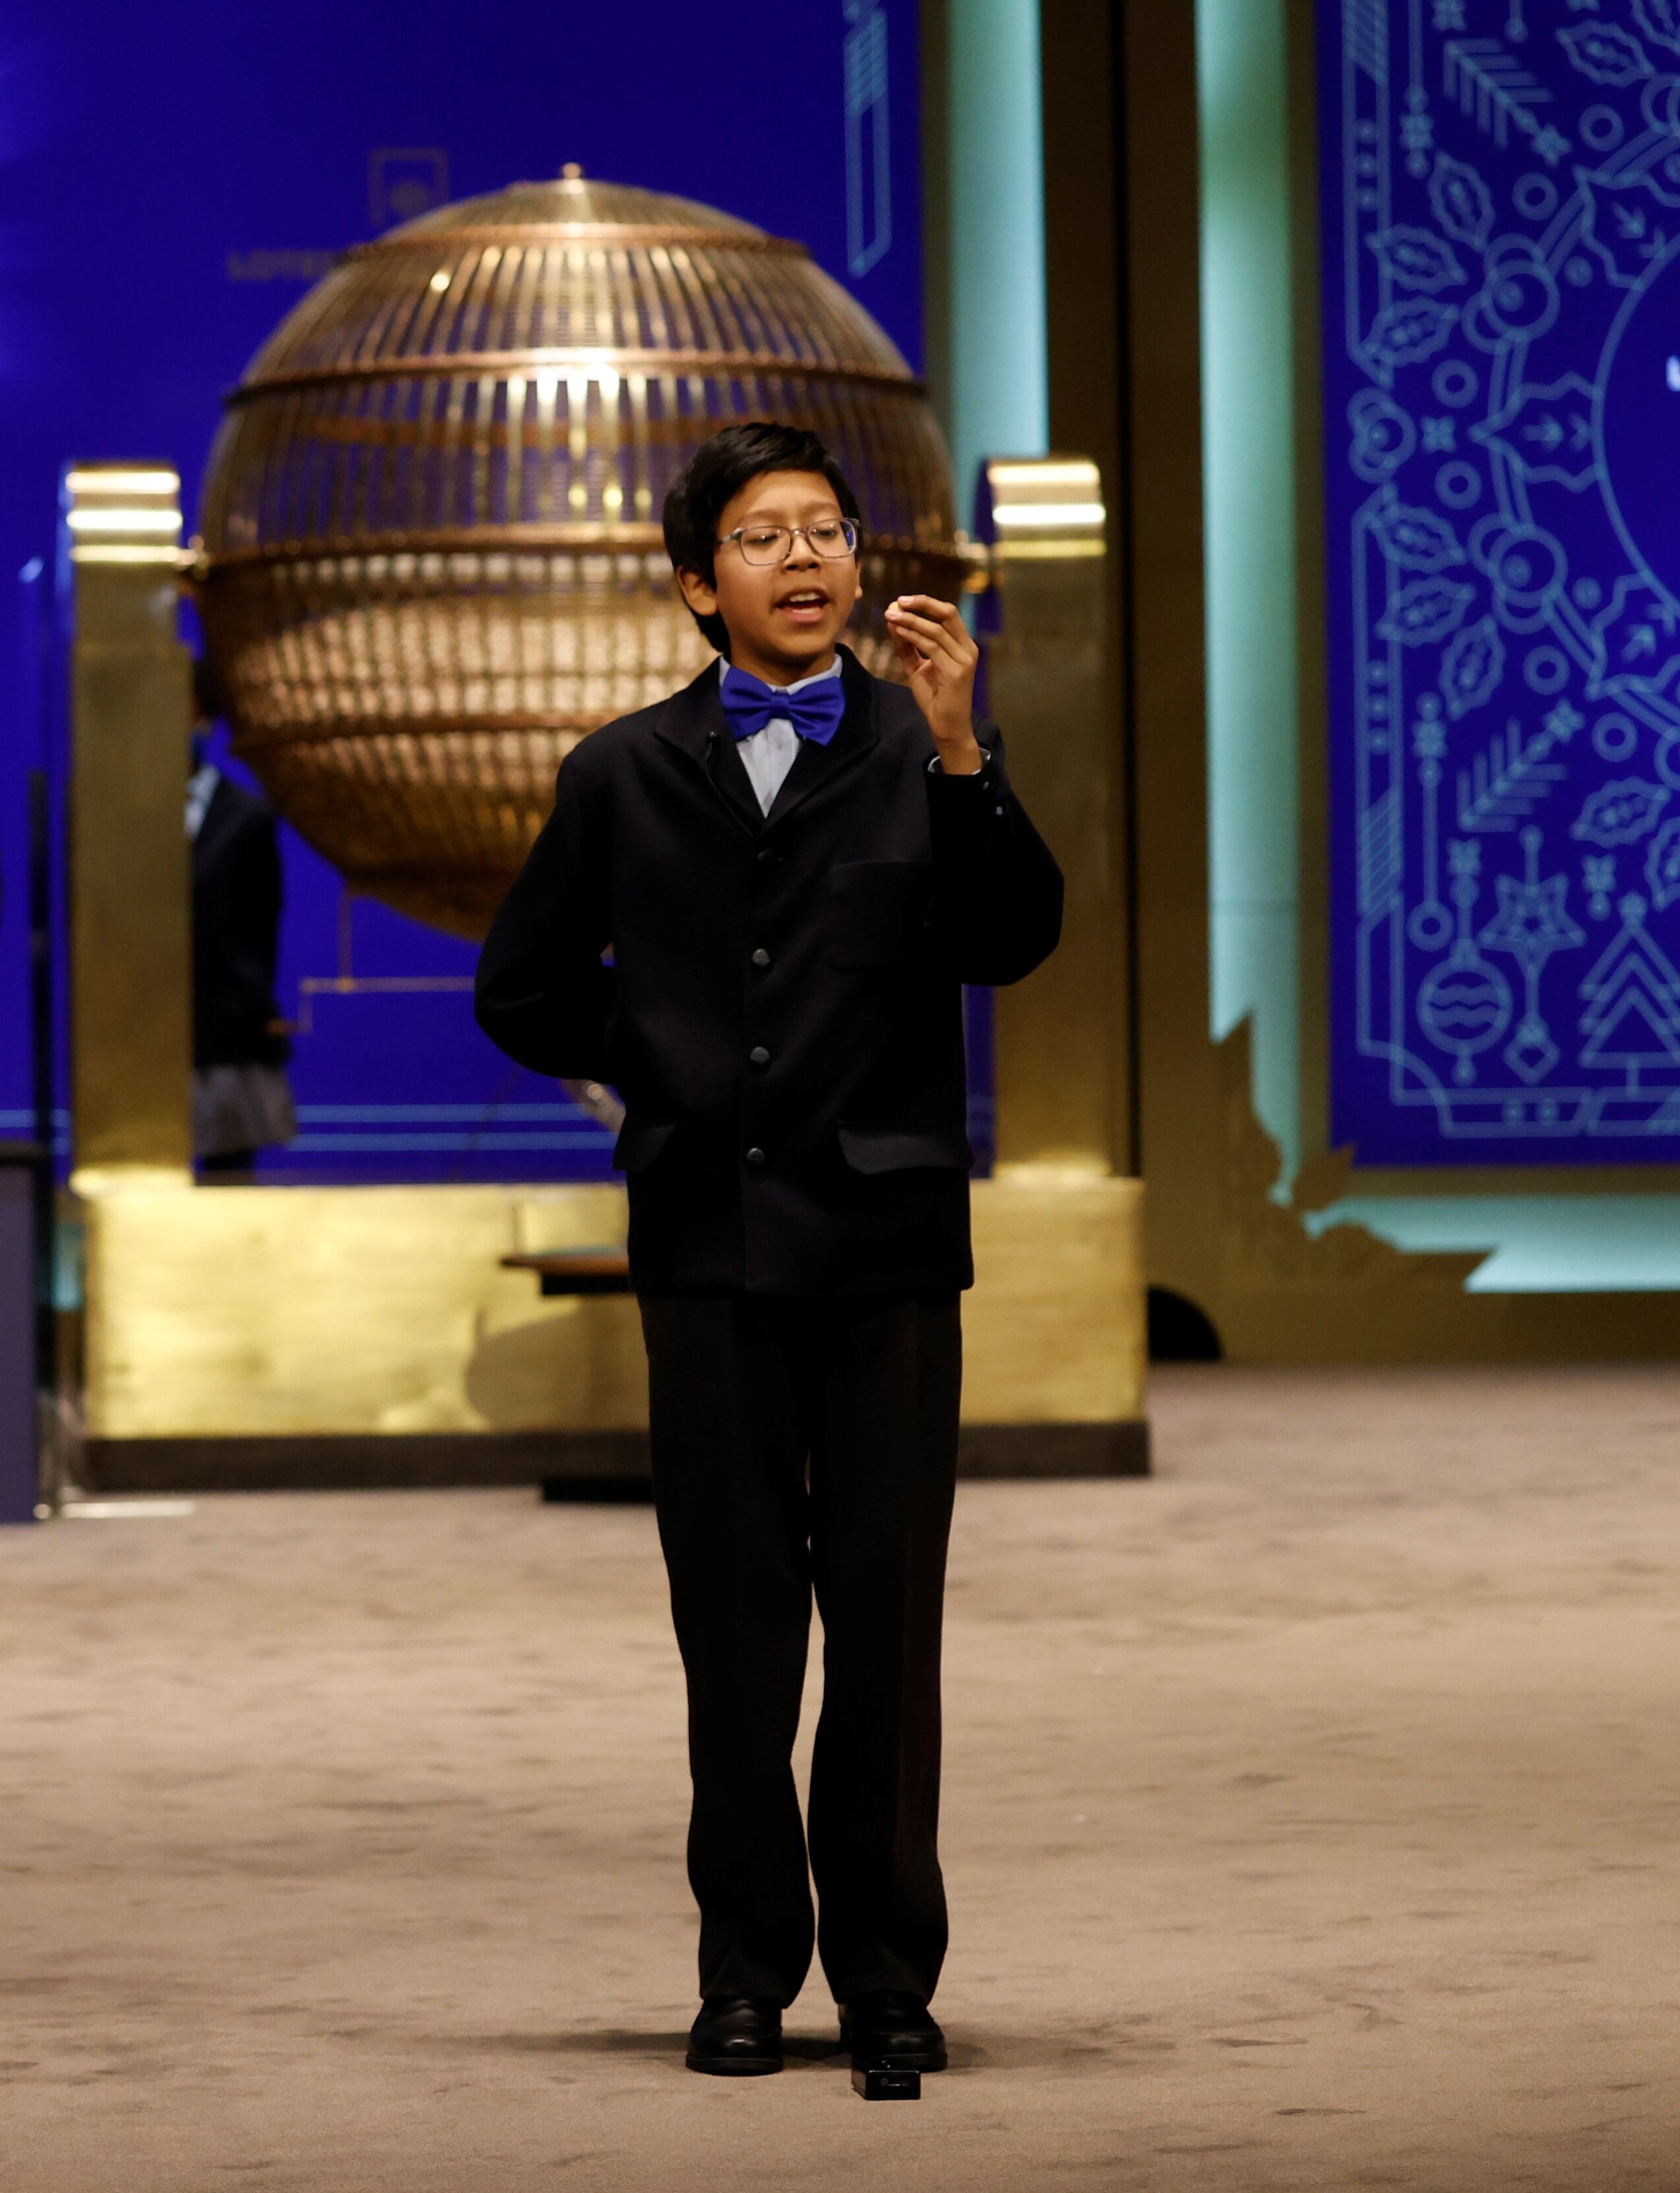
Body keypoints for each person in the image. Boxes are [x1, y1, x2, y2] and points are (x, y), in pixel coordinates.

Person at [473, 420, 1063, 2082]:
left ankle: (885, 1977)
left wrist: (961, 755)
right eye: (762, 536)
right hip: (710, 1243)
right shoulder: (618, 770)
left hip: (885, 1242)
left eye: (826, 530)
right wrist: (659, 1055)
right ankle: (742, 1971)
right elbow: (518, 989)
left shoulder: (916, 745)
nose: (805, 559)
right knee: (733, 1628)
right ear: (695, 585)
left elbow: (1012, 938)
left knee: (883, 1625)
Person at [186, 657, 293, 1176]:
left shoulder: (247, 818)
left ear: (203, 715)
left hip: (225, 1042)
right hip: (133, 1039)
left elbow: (260, 931)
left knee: (229, 1186)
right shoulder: (110, 815)